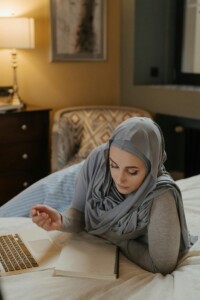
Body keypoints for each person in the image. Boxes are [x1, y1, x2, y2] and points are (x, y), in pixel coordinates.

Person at [31, 117, 191, 275]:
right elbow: (79, 212)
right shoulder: (98, 160)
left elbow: (162, 265)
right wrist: (61, 220)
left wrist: (117, 239)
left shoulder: (162, 196)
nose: (119, 179)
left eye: (132, 171)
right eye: (114, 165)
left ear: (152, 166)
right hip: (75, 176)